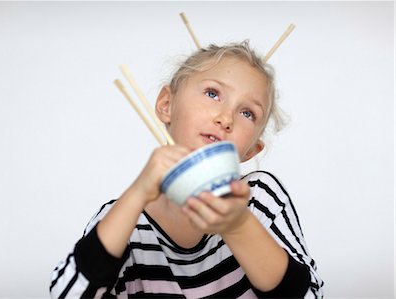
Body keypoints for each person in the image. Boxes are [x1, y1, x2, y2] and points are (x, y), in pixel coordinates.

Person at [50, 41, 324, 298]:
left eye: (247, 113)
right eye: (213, 93)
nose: (226, 118)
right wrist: (135, 195)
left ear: (251, 150)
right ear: (167, 104)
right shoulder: (124, 220)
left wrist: (237, 225)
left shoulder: (260, 198)